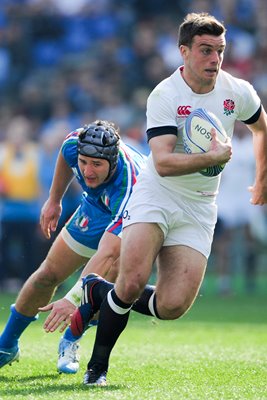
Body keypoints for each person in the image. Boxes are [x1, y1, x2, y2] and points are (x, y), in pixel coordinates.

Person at [68, 12, 267, 386]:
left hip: (200, 205)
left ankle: (96, 290)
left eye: (220, 51)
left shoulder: (237, 91)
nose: (215, 59)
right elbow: (161, 163)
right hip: (157, 193)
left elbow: (261, 127)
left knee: (172, 306)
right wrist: (212, 157)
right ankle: (97, 370)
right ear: (184, 52)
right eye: (206, 50)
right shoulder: (165, 95)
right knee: (130, 284)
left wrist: (263, 178)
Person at [0, 119, 147, 373]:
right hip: (94, 209)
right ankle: (6, 345)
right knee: (47, 274)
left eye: (97, 165)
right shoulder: (73, 144)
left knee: (107, 288)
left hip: (136, 217)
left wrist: (72, 298)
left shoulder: (130, 185)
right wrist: (54, 200)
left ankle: (71, 339)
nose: (88, 171)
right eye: (83, 162)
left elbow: (108, 251)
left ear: (112, 162)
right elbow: (64, 157)